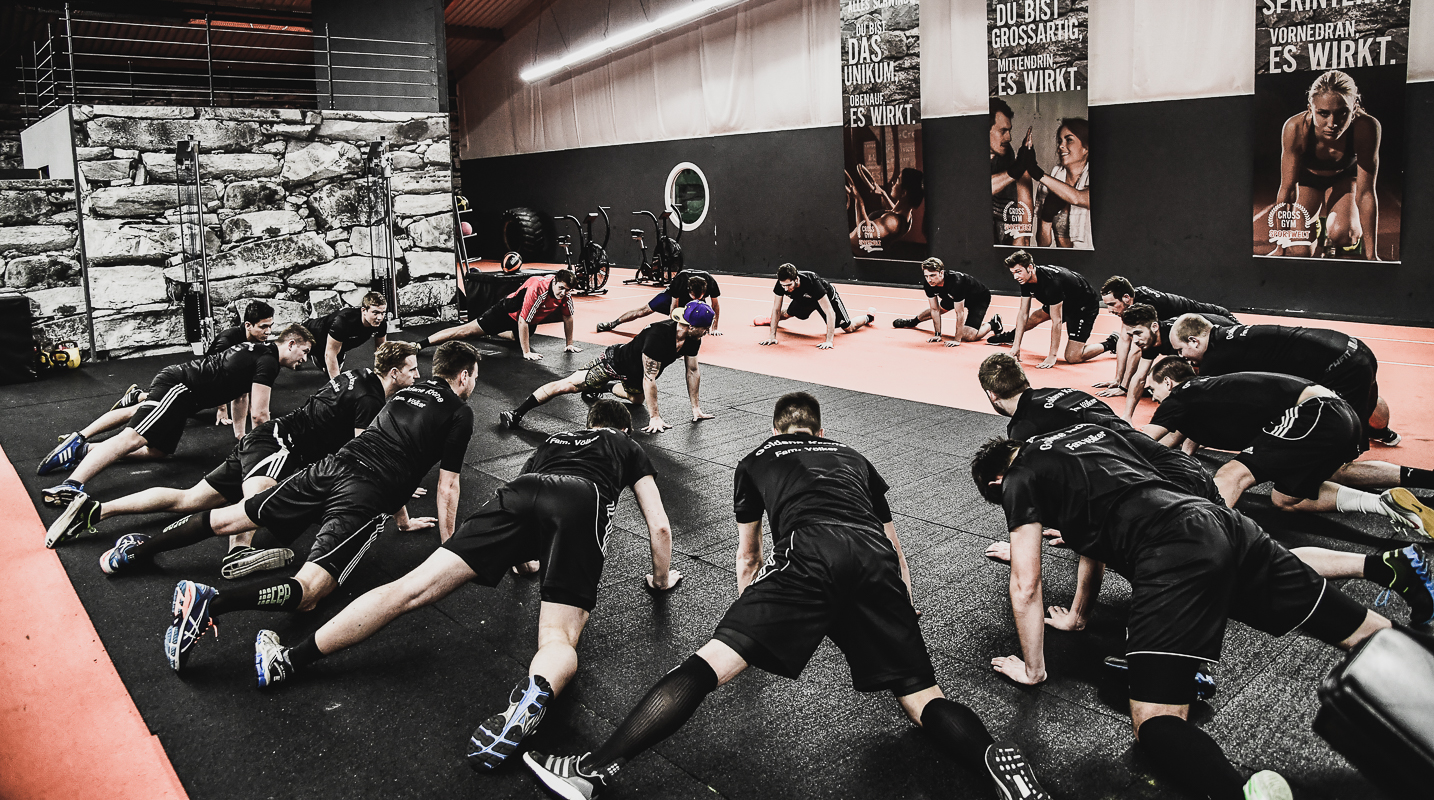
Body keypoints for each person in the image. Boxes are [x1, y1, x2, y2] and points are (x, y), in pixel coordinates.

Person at [525, 393, 1050, 800]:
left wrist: (742, 627)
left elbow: (750, 555)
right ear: (820, 430)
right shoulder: (854, 456)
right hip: (874, 564)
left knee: (704, 668)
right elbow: (894, 545)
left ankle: (590, 773)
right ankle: (996, 763)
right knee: (922, 697)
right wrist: (903, 606)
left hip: (809, 558)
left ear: (776, 429)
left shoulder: (756, 458)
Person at [970, 425, 1420, 800]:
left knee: (1156, 723)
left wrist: (1033, 669)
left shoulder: (1016, 479)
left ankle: (1237, 792)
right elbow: (1181, 467)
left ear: (996, 484)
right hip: (1224, 524)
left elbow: (1026, 583)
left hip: (1174, 553)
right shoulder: (1089, 432)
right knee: (1370, 634)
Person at [252, 400, 682, 770]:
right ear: (622, 428)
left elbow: (532, 500)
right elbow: (659, 527)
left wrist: (525, 557)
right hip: (580, 499)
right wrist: (660, 580)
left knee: (409, 587)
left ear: (588, 420)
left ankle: (289, 659)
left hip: (520, 492)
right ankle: (532, 696)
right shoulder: (625, 444)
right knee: (557, 636)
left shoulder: (554, 441)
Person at [95, 341, 478, 673]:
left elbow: (384, 445)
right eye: (475, 377)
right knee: (310, 594)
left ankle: (137, 550)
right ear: (463, 376)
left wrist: (404, 520)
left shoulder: (399, 395)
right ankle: (213, 602)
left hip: (330, 466)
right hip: (366, 493)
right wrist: (449, 549)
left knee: (232, 516)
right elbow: (448, 484)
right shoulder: (459, 413)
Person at [46, 342, 423, 579]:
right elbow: (364, 462)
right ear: (394, 373)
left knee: (189, 499)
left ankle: (97, 509)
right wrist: (402, 516)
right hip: (279, 447)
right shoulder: (371, 402)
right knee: (250, 510)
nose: (417, 375)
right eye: (412, 369)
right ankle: (238, 555)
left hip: (267, 441)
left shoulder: (357, 375)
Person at [977, 353, 1221, 563]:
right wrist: (1072, 525)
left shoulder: (1023, 429)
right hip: (1189, 470)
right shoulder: (1067, 392)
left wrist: (1022, 547)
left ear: (991, 394)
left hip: (1165, 488)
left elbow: (1026, 491)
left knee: (1179, 566)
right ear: (1024, 379)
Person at [1142, 359, 1434, 532]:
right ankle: (1388, 503)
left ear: (1168, 382)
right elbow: (1173, 441)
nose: (1153, 398)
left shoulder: (1181, 395)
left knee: (1232, 475)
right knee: (1287, 498)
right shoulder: (1205, 392)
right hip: (1339, 413)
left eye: (1153, 390)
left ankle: (1201, 542)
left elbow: (1140, 440)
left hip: (1313, 410)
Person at [38, 325, 315, 506]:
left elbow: (241, 397)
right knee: (133, 438)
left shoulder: (260, 353)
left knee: (157, 451)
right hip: (180, 387)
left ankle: (83, 449)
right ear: (291, 343)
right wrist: (264, 449)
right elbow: (261, 414)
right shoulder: (267, 362)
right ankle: (71, 485)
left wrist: (241, 438)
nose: (304, 359)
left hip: (185, 394)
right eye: (304, 352)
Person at [1169, 314, 1398, 445]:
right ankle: (1383, 433)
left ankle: (1349, 483)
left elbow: (1197, 409)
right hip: (1354, 347)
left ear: (1194, 341)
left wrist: (1183, 450)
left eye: (1180, 351)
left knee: (1341, 436)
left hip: (1340, 365)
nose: (1182, 358)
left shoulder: (1214, 359)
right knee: (1364, 393)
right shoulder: (1227, 332)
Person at [502, 301, 715, 434]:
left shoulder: (693, 338)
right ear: (693, 326)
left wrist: (695, 408)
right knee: (569, 386)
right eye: (705, 328)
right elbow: (649, 379)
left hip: (635, 374)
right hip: (613, 363)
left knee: (637, 400)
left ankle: (605, 387)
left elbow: (692, 371)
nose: (707, 332)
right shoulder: (659, 336)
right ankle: (516, 413)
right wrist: (655, 417)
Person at [1268, 70, 1382, 260]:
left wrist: (1373, 257)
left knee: (1345, 235)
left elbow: (1366, 193)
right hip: (1308, 182)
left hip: (1343, 180)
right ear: (1310, 109)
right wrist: (1280, 248)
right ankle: (1316, 223)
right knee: (1300, 251)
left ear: (1354, 108)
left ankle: (1333, 231)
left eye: (1342, 113)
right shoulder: (1295, 128)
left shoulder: (1366, 127)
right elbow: (1287, 190)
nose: (1332, 123)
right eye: (1323, 113)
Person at [1097, 277, 1234, 399]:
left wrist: (1123, 387)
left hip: (1218, 318)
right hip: (1190, 330)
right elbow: (1124, 338)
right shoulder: (1132, 303)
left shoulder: (1147, 304)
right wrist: (1118, 379)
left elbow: (1136, 350)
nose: (1109, 310)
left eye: (1112, 304)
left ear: (1126, 298)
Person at [416, 269, 582, 360]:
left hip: (524, 322)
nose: (563, 293)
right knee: (464, 332)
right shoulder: (538, 290)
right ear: (554, 282)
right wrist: (526, 353)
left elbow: (568, 317)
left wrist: (569, 344)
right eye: (561, 288)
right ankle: (420, 344)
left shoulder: (565, 295)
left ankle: (490, 333)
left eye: (568, 290)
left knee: (518, 337)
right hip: (504, 313)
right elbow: (523, 321)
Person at [986, 251, 1114, 368]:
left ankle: (1111, 343)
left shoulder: (1052, 283)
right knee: (1034, 318)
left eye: (1018, 272)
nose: (1015, 277)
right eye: (1013, 273)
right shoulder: (1026, 279)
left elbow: (1056, 321)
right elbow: (1023, 314)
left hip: (1083, 306)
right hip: (1064, 299)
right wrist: (1016, 346)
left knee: (1073, 357)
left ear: (1030, 267)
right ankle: (1011, 337)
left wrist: (1052, 356)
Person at [1115, 305, 1238, 420]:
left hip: (1229, 338)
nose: (1135, 340)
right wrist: (1127, 416)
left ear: (1154, 327)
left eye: (1138, 333)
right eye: (1131, 335)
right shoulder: (1149, 341)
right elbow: (1140, 378)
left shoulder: (1176, 338)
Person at [756, 263, 874, 349]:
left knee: (849, 328)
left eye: (789, 285)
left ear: (796, 279)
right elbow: (776, 309)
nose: (786, 289)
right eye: (783, 286)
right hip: (804, 299)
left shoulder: (812, 281)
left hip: (826, 298)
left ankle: (869, 317)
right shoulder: (781, 284)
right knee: (786, 313)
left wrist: (829, 341)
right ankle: (771, 321)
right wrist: (772, 336)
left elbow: (829, 312)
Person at [890, 257, 1003, 345]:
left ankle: (993, 324)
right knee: (939, 309)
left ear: (941, 273)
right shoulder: (929, 284)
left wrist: (957, 339)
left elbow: (960, 313)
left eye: (933, 275)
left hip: (978, 298)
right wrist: (937, 334)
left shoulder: (957, 282)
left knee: (968, 336)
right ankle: (912, 322)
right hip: (952, 296)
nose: (929, 280)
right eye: (926, 276)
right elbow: (934, 309)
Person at [207, 300, 277, 427]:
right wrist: (222, 409)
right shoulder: (226, 342)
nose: (268, 332)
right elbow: (215, 377)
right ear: (248, 325)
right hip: (205, 380)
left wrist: (254, 407)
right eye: (263, 327)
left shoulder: (257, 338)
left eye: (270, 326)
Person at [1026, 119, 1092, 250]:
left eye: (1069, 140)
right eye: (1060, 141)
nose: (1061, 146)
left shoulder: (1096, 175)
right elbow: (1043, 243)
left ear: (1086, 148)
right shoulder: (1050, 182)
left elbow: (1077, 198)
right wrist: (1046, 216)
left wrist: (1036, 171)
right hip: (1062, 259)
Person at [597, 269, 722, 336]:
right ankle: (612, 324)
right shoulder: (680, 280)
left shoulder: (711, 282)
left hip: (689, 294)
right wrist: (674, 328)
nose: (696, 300)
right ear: (689, 290)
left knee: (700, 312)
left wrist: (714, 328)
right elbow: (674, 308)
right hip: (671, 296)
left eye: (699, 298)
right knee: (644, 310)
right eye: (694, 297)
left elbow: (715, 306)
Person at [304, 292, 388, 377]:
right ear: (364, 310)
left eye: (383, 313)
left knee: (329, 370)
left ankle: (320, 358)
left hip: (336, 343)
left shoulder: (381, 323)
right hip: (312, 333)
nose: (380, 317)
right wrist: (337, 386)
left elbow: (381, 350)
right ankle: (315, 353)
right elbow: (330, 354)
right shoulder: (343, 321)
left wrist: (382, 375)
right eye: (375, 312)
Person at [989, 98, 1033, 246]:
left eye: (1009, 131)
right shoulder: (965, 161)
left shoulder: (1016, 163)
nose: (1009, 137)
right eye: (1003, 131)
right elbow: (974, 191)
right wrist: (1015, 170)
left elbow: (1024, 232)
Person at [847, 166, 925, 246]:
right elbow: (894, 210)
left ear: (903, 193)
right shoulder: (907, 217)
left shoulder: (892, 222)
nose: (893, 183)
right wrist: (883, 194)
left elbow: (865, 234)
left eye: (898, 180)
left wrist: (858, 200)